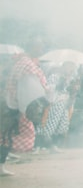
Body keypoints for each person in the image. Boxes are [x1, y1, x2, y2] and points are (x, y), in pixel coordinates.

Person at [2, 39, 49, 175]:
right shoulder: (27, 64)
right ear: (33, 47)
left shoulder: (20, 62)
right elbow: (32, 87)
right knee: (6, 137)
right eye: (40, 48)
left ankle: (1, 165)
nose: (41, 51)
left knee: (6, 137)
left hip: (9, 102)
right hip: (12, 105)